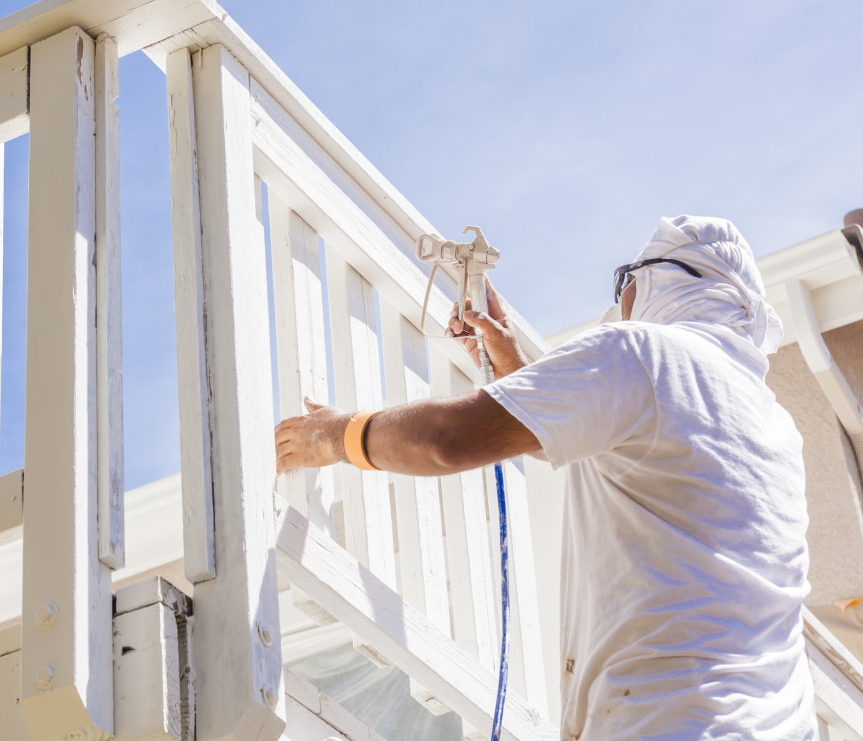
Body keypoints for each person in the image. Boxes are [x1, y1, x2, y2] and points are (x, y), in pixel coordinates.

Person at [274, 216, 815, 741]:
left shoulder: (646, 353)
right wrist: (518, 370)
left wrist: (339, 434)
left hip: (670, 722)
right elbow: (622, 452)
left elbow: (447, 439)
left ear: (652, 282)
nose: (619, 301)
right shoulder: (774, 427)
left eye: (624, 280)